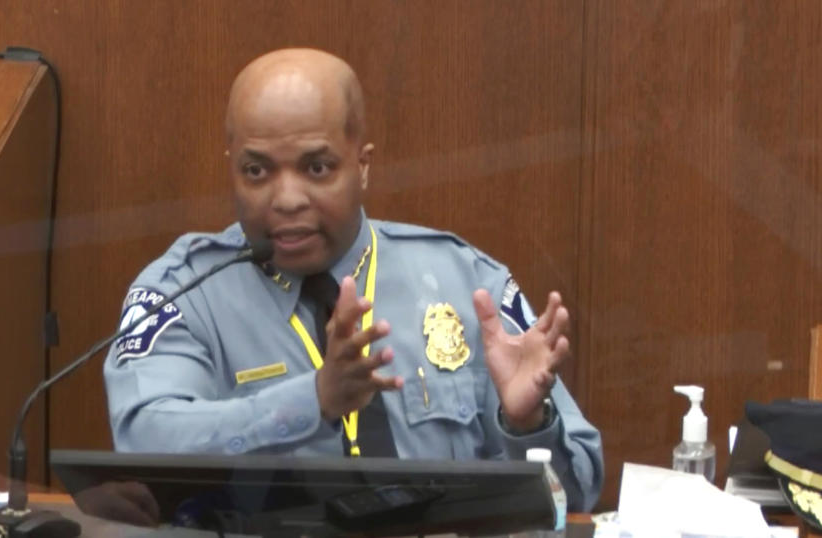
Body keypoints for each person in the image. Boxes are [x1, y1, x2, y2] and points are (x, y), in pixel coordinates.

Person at [104, 48, 604, 511]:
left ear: (362, 166)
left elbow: (577, 489)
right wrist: (313, 400)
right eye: (256, 171)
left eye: (317, 167)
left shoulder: (466, 283)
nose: (286, 199)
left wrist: (527, 427)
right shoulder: (183, 294)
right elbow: (146, 442)